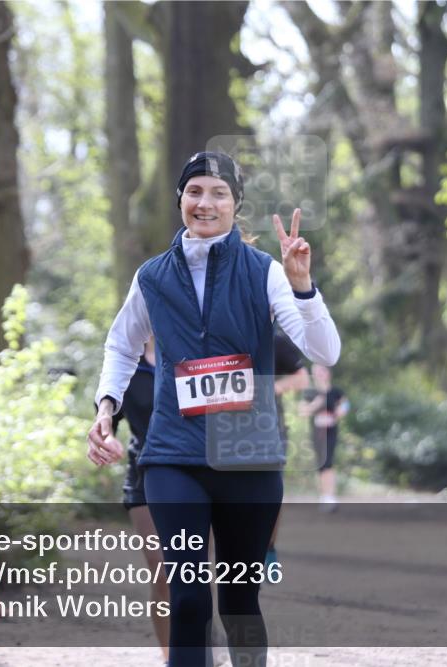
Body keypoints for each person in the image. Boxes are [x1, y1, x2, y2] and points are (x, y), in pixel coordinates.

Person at [88, 151, 340, 667]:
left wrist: (302, 286)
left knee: (240, 601)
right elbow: (121, 345)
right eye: (195, 191)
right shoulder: (152, 276)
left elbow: (324, 351)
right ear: (180, 198)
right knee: (187, 596)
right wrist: (106, 408)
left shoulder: (266, 272)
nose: (205, 203)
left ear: (235, 204)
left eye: (218, 193)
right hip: (173, 455)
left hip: (249, 459)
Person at [109, 338, 171, 663]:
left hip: (194, 473)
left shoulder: (186, 349)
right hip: (143, 474)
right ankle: (168, 655)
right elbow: (107, 421)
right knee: (161, 570)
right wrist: (105, 440)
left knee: (194, 569)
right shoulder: (123, 365)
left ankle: (198, 644)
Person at [264, 330, 309, 573]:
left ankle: (269, 547)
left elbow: (302, 378)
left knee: (270, 492)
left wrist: (270, 387)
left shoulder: (274, 339)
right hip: (225, 428)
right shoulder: (217, 333)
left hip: (271, 426)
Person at [300, 364, 349, 512]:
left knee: (328, 462)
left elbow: (346, 404)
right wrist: (315, 405)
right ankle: (325, 496)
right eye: (315, 372)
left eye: (321, 371)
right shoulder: (311, 393)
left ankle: (330, 496)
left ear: (328, 373)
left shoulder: (335, 391)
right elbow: (302, 411)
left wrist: (342, 411)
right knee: (321, 464)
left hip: (331, 430)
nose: (319, 375)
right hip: (317, 432)